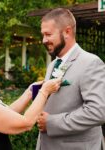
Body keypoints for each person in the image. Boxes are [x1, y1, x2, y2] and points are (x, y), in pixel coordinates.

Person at [36, 8, 105, 150]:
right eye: (43, 35)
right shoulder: (53, 64)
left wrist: (51, 123)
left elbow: (98, 112)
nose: (44, 40)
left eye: (48, 34)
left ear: (67, 32)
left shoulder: (91, 62)